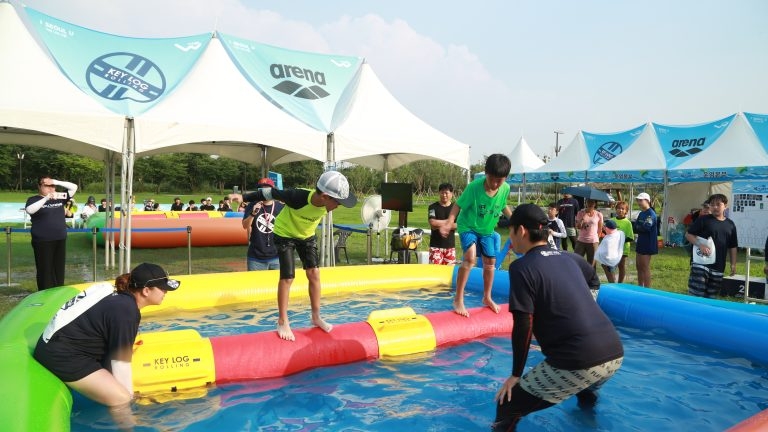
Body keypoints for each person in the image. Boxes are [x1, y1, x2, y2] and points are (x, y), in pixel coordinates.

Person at [493, 204, 623, 431]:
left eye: (510, 232)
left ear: (521, 231)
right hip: (613, 353)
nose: (510, 239)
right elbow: (594, 278)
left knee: (507, 405)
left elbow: (524, 323)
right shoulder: (568, 257)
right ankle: (588, 423)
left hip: (579, 360)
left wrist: (515, 375)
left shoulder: (521, 267)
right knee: (585, 388)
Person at [33, 263, 179, 429]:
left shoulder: (115, 294)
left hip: (55, 344)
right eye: (163, 288)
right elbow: (120, 364)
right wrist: (129, 397)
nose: (166, 292)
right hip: (62, 355)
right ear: (146, 291)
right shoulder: (127, 312)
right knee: (122, 399)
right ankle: (128, 428)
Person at [234, 170, 357, 341]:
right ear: (325, 197)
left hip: (306, 235)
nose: (339, 206)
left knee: (314, 273)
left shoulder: (327, 202)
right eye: (338, 202)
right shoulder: (297, 196)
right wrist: (243, 197)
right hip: (284, 234)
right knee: (288, 278)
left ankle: (316, 316)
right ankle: (282, 320)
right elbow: (269, 192)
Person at [439, 154, 513, 317]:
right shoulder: (474, 187)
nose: (494, 184)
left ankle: (487, 297)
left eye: (499, 180)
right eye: (491, 179)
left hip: (486, 230)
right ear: (485, 173)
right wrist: (449, 222)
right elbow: (457, 205)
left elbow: (503, 205)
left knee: (490, 262)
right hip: (468, 226)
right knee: (471, 258)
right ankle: (458, 299)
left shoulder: (505, 188)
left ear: (505, 178)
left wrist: (514, 219)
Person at [25, 176, 78, 290]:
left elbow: (74, 187)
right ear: (39, 186)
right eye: (47, 185)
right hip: (43, 240)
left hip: (60, 238)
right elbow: (30, 210)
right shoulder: (33, 199)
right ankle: (44, 293)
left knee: (58, 269)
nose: (50, 188)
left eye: (52, 186)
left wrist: (55, 181)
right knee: (45, 269)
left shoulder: (59, 197)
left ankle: (57, 291)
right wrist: (46, 199)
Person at [685, 193, 738, 298]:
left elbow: (733, 246)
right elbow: (688, 235)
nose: (715, 207)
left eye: (718, 204)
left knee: (711, 297)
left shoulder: (730, 224)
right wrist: (700, 245)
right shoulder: (703, 219)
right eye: (712, 204)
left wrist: (733, 264)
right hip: (700, 263)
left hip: (718, 266)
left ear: (725, 206)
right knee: (696, 295)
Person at [243, 178, 285, 271]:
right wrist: (253, 213)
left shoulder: (280, 207)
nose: (264, 193)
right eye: (261, 190)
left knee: (276, 284)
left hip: (277, 256)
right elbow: (245, 226)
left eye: (267, 190)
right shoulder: (252, 205)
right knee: (256, 285)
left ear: (272, 191)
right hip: (256, 258)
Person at [603, 201, 634, 283]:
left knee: (621, 266)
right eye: (619, 208)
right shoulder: (612, 221)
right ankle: (612, 281)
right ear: (615, 210)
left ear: (626, 211)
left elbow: (631, 238)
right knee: (608, 265)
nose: (620, 210)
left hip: (623, 249)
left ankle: (620, 283)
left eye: (623, 209)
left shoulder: (628, 223)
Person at [427, 183, 457, 265]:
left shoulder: (455, 208)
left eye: (446, 193)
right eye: (442, 193)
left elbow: (458, 225)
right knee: (434, 272)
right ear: (439, 193)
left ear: (451, 194)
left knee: (450, 273)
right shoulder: (433, 207)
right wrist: (450, 221)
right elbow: (432, 222)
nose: (444, 195)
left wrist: (439, 224)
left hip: (450, 247)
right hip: (435, 247)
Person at [634, 192, 658, 287]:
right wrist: (640, 226)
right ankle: (640, 287)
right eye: (638, 200)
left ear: (647, 201)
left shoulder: (651, 214)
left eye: (641, 200)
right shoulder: (641, 213)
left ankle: (647, 290)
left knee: (645, 267)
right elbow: (635, 227)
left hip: (648, 243)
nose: (639, 202)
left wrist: (639, 227)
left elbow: (646, 227)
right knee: (638, 267)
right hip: (640, 242)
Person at [574, 199, 604, 267]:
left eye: (592, 202)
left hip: (593, 242)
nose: (590, 204)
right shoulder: (580, 213)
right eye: (588, 202)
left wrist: (597, 240)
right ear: (586, 203)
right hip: (581, 241)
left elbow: (600, 229)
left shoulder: (599, 214)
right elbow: (578, 227)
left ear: (595, 204)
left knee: (592, 264)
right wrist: (582, 218)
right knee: (576, 261)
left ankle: (591, 277)